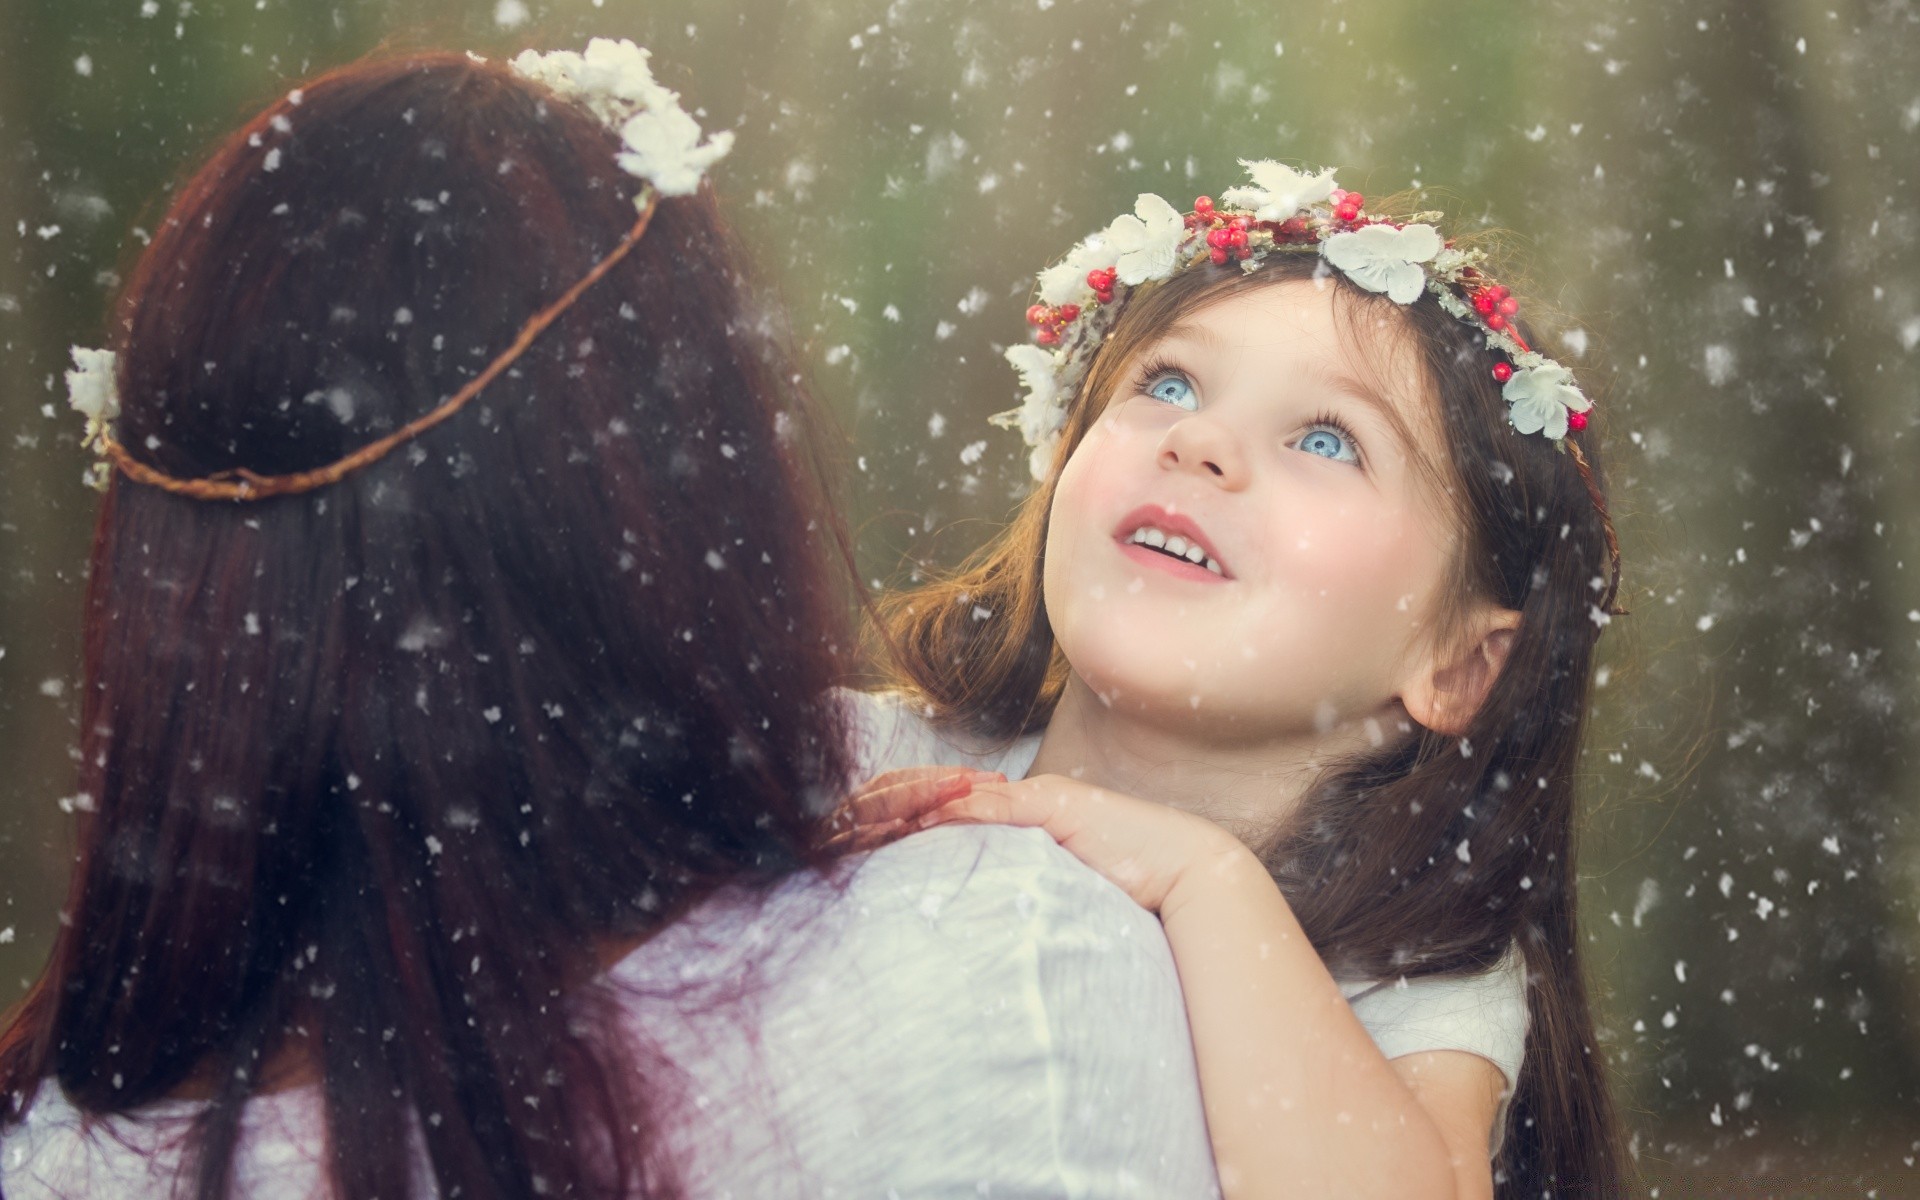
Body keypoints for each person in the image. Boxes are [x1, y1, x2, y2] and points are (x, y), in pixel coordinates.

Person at [0, 43, 1220, 1199]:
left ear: (168, 583)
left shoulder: (47, 1152)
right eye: (1164, 384)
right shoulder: (997, 967)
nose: (1199, 445)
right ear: (689, 481)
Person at [842, 167, 1630, 1197]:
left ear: (1461, 662)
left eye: (1325, 440)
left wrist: (1202, 880)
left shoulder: (1410, 979)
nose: (1199, 441)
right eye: (1168, 383)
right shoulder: (866, 765)